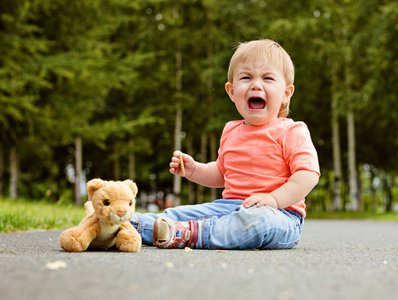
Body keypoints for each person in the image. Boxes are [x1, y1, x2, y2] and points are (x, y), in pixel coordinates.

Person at [131, 39, 320, 250]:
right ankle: (123, 225)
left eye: (267, 78)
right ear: (231, 91)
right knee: (177, 213)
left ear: (286, 93)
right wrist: (195, 170)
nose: (256, 84)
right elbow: (221, 173)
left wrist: (274, 199)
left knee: (257, 222)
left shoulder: (292, 131)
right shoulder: (231, 130)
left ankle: (189, 233)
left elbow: (308, 175)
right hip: (227, 208)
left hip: (280, 215)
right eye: (246, 77)